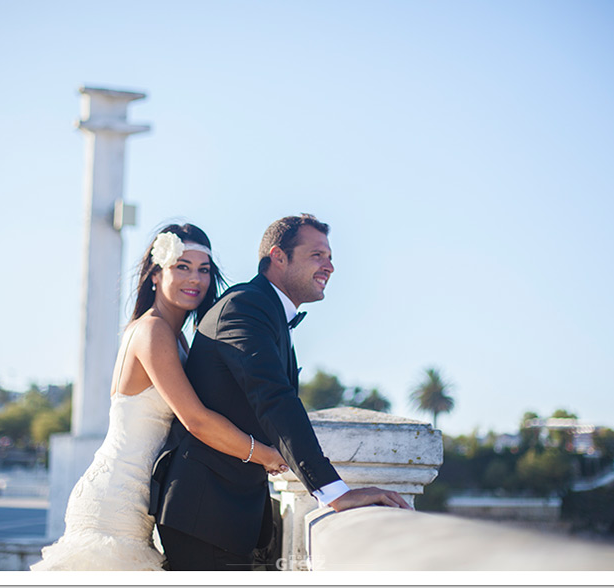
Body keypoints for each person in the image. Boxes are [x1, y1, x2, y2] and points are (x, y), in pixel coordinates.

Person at [151, 214, 411, 571]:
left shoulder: (265, 310)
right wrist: (334, 492)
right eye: (317, 255)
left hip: (222, 515)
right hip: (205, 512)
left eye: (331, 257)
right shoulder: (245, 306)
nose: (330, 267)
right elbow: (274, 398)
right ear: (279, 257)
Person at [31, 224, 288, 572]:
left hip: (138, 502)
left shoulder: (177, 337)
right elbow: (195, 419)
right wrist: (265, 455)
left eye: (204, 270)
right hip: (115, 499)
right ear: (155, 273)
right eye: (182, 266)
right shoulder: (153, 332)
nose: (195, 279)